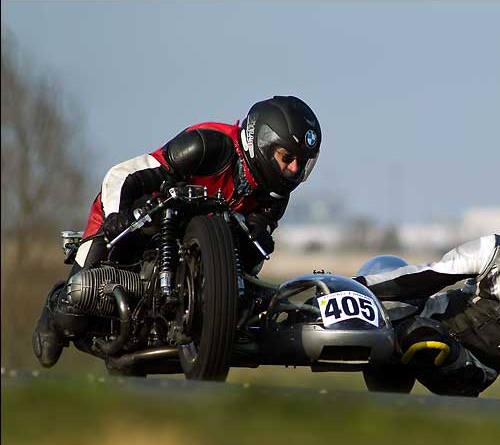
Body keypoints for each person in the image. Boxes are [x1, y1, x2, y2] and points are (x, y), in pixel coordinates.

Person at [32, 95, 323, 368]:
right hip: (142, 219)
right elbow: (123, 174)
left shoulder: (274, 196)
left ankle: (203, 319)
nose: (294, 170)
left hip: (198, 247)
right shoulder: (208, 147)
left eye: (302, 163)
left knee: (255, 256)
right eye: (287, 157)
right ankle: (56, 305)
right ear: (261, 143)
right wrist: (116, 217)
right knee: (75, 309)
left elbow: (256, 246)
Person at [355, 202, 500, 397]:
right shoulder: (491, 250)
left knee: (419, 335)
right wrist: (356, 286)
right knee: (386, 276)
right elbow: (427, 275)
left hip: (470, 368)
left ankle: (391, 400)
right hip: (432, 317)